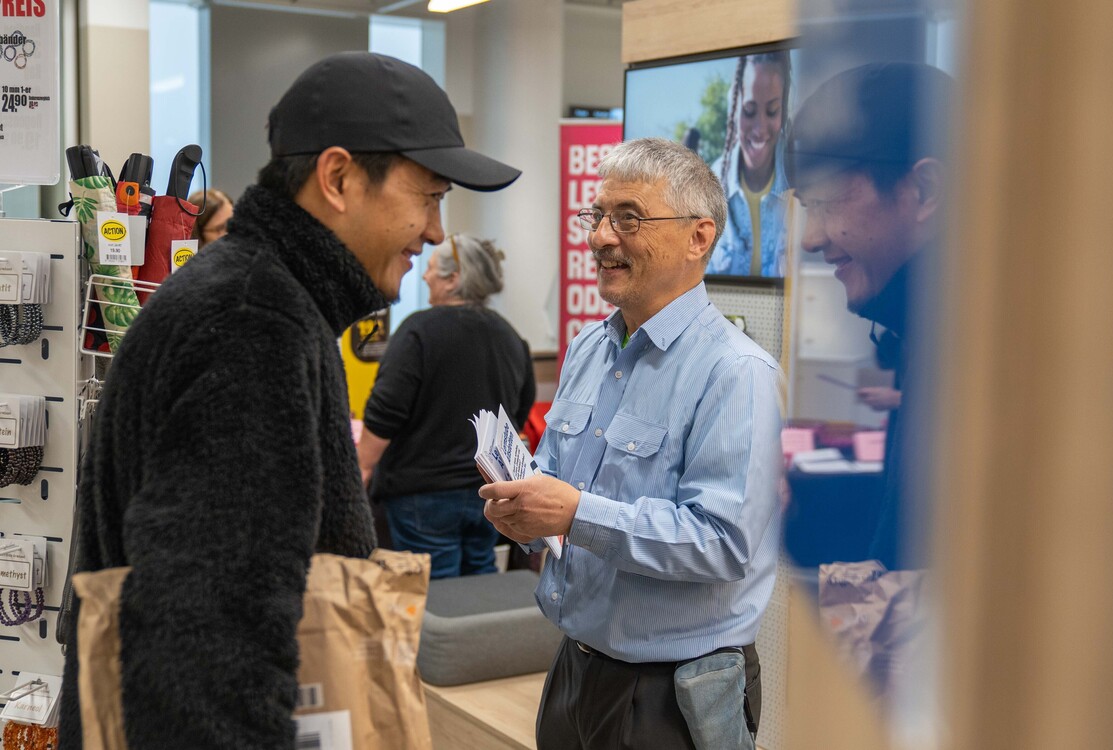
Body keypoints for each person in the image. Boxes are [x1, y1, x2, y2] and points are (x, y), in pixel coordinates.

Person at [60, 51, 519, 749]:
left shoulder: (261, 297)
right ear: (338, 178)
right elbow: (207, 652)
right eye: (428, 196)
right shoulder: (251, 324)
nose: (433, 232)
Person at [481, 137, 783, 749]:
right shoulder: (591, 349)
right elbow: (559, 484)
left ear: (699, 237)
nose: (600, 237)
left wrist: (574, 512)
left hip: (673, 697)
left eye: (629, 218)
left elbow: (725, 544)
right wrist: (525, 512)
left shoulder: (737, 374)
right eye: (597, 216)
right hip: (574, 670)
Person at [785, 61, 953, 569]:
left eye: (828, 200)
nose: (811, 238)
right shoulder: (926, 335)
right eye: (804, 206)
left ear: (924, 191)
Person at [357, 233, 536, 578]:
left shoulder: (418, 331)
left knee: (433, 598)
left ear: (454, 279)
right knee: (479, 585)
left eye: (433, 270)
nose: (424, 276)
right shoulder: (510, 335)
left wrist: (362, 468)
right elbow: (518, 411)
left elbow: (386, 411)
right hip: (488, 493)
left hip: (421, 496)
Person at [706, 51, 793, 278]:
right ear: (733, 110)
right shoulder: (709, 186)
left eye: (772, 111)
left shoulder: (804, 183)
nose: (760, 127)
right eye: (749, 111)